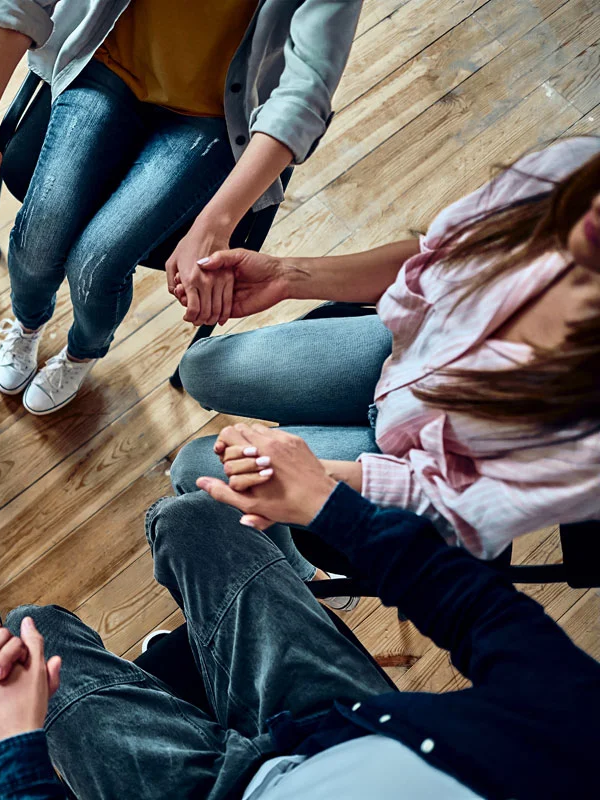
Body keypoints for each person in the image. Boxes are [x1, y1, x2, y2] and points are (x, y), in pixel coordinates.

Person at [0, 423, 598, 800]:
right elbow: (480, 611)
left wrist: (13, 753)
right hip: (335, 725)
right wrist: (331, 504)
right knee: (194, 518)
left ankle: (186, 668)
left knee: (26, 631)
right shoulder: (580, 745)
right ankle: (196, 662)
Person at [168, 136, 600, 597]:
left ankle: (303, 573)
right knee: (202, 366)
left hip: (422, 473)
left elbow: (463, 505)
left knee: (192, 467)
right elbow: (433, 258)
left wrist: (315, 482)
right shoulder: (571, 168)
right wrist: (288, 275)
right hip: (397, 357)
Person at [0, 0, 361, 413]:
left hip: (217, 117)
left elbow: (304, 92)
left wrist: (215, 222)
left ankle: (82, 351)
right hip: (108, 65)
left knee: (98, 262)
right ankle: (29, 323)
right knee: (38, 240)